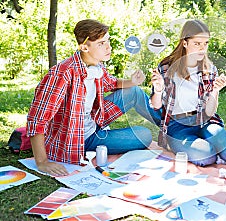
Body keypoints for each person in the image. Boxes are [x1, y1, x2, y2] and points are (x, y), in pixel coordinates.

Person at [27, 19, 157, 176]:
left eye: (107, 41)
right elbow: (37, 118)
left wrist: (132, 81)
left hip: (94, 121)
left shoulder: (96, 66)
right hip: (80, 138)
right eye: (101, 43)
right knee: (144, 135)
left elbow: (111, 83)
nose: (109, 47)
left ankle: (168, 126)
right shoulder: (63, 73)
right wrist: (42, 162)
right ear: (84, 47)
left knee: (133, 91)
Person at [150, 19, 226, 166]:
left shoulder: (209, 69)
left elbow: (210, 111)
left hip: (204, 121)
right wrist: (158, 89)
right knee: (205, 156)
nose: (202, 48)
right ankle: (215, 146)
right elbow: (155, 105)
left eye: (205, 43)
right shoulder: (166, 67)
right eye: (197, 43)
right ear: (184, 43)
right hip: (177, 126)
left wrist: (215, 91)